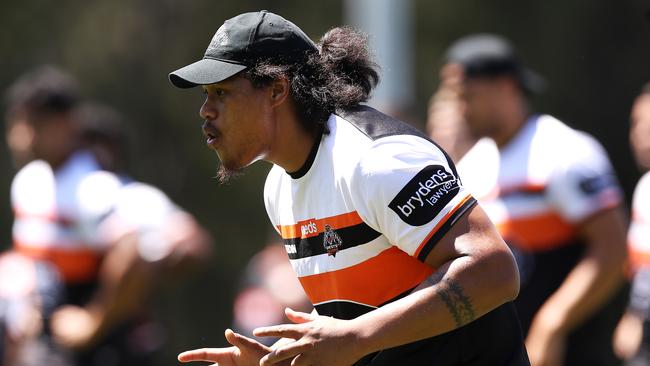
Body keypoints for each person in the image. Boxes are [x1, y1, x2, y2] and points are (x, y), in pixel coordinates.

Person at [169, 10, 529, 366]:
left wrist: (356, 336)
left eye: (221, 92)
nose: (205, 110)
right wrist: (278, 362)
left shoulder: (375, 159)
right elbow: (360, 339)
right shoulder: (278, 188)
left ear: (277, 89)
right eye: (205, 94)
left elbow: (494, 269)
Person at [2, 65, 212, 366]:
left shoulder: (90, 188)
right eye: (17, 124)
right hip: (49, 345)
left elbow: (142, 248)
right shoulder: (28, 182)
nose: (19, 137)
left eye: (31, 124)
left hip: (102, 352)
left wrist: (93, 322)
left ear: (64, 125)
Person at [445, 34, 629, 366]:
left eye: (468, 96)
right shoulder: (472, 166)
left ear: (506, 86)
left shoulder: (564, 151)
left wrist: (552, 323)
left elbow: (612, 249)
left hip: (574, 353)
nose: (461, 110)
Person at [613, 82, 650, 365]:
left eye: (645, 124)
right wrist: (634, 313)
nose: (637, 134)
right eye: (634, 124)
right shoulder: (644, 189)